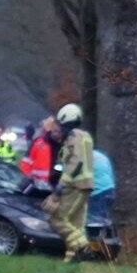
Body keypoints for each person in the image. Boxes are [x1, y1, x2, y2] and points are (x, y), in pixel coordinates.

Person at [45, 103, 95, 262]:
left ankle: (83, 246)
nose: (60, 128)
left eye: (61, 124)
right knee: (76, 223)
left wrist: (61, 184)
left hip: (76, 185)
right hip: (85, 185)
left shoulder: (74, 136)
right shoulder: (85, 136)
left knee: (58, 218)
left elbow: (76, 162)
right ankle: (73, 257)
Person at [21, 119, 57, 189]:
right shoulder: (38, 143)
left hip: (53, 185)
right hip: (36, 184)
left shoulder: (59, 145)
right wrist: (28, 177)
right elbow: (26, 162)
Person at [88, 148, 115, 228]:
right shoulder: (101, 156)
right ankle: (108, 233)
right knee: (102, 219)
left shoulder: (81, 157)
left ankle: (95, 235)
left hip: (97, 191)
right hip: (109, 189)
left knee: (93, 222)